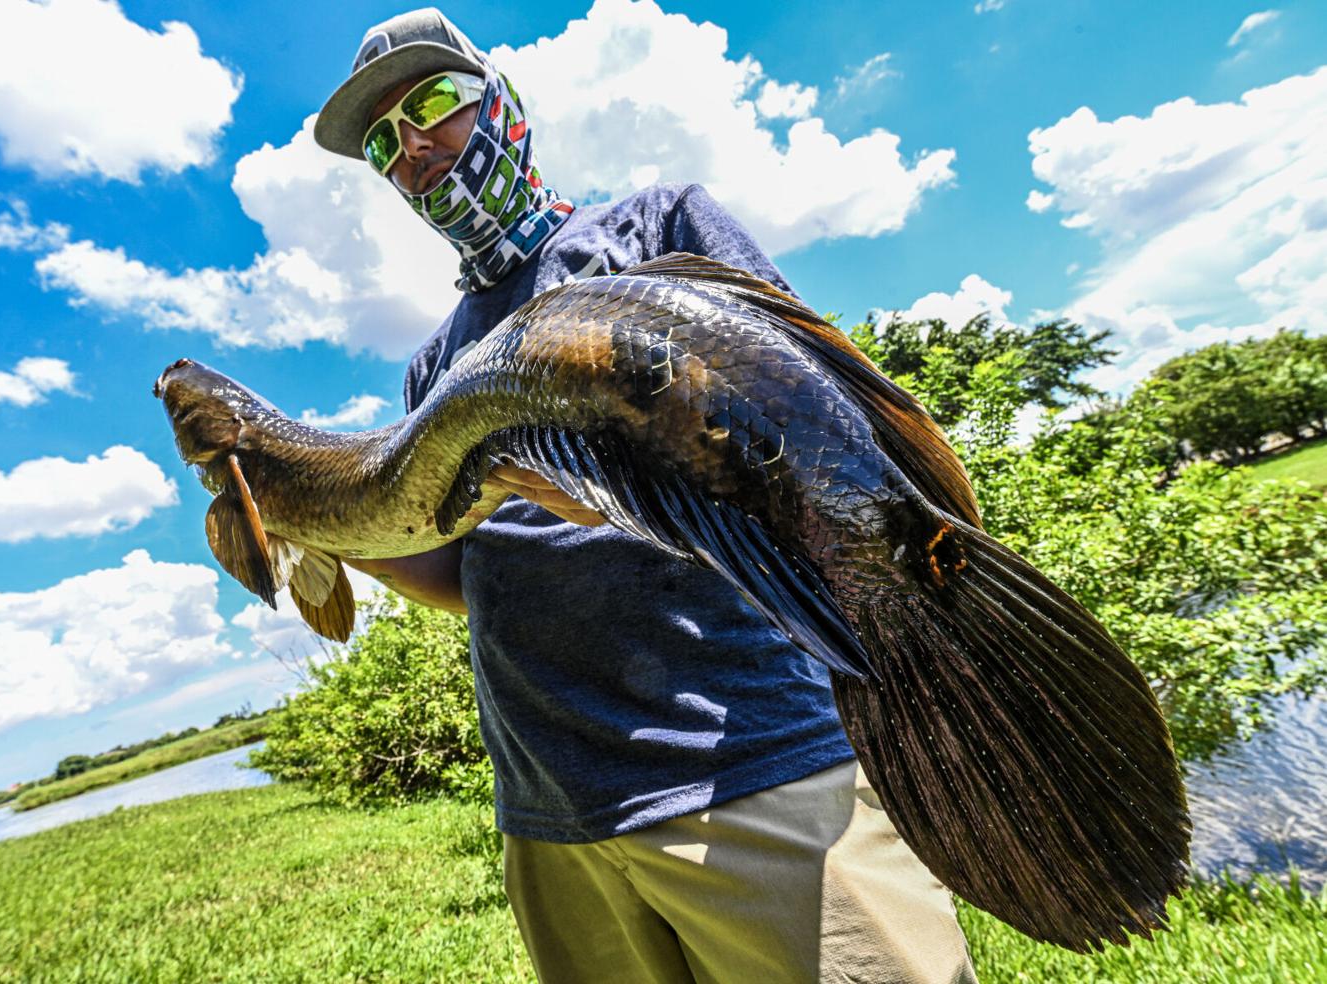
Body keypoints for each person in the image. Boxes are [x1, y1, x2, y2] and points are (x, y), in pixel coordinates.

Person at [312, 9, 976, 982]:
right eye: (382, 142)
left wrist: (621, 471)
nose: (412, 146)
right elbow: (464, 572)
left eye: (434, 104)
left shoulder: (656, 227)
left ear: (502, 105)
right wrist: (322, 519)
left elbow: (816, 423)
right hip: (555, 816)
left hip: (755, 765)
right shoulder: (432, 367)